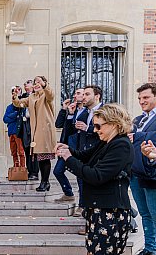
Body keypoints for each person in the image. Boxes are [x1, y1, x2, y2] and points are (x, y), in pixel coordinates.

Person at [55, 103, 134, 255]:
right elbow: (84, 157)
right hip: (99, 209)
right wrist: (66, 149)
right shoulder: (106, 142)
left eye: (98, 126)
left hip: (110, 212)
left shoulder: (121, 145)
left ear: (114, 124)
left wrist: (69, 158)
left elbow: (97, 176)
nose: (95, 130)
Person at [13, 76, 57, 192]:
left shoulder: (46, 95)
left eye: (39, 81)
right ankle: (44, 182)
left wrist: (44, 85)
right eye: (35, 82)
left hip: (46, 131)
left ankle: (45, 182)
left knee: (44, 158)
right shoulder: (31, 97)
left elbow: (51, 95)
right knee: (40, 158)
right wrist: (15, 95)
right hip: (36, 132)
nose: (36, 83)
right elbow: (19, 104)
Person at [65, 85, 102, 218]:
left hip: (98, 154)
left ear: (97, 96)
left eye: (87, 94)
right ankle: (85, 210)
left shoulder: (105, 111)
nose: (83, 97)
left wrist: (89, 128)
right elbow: (70, 132)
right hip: (83, 153)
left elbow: (108, 132)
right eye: (84, 94)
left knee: (97, 189)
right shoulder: (84, 112)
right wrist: (69, 114)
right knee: (83, 184)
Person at [129, 83, 156, 255]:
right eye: (139, 98)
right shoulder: (139, 120)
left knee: (154, 214)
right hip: (135, 174)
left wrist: (139, 136)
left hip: (152, 174)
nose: (141, 101)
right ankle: (150, 248)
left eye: (146, 97)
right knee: (145, 215)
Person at [53, 88, 85, 203]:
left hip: (78, 149)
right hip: (66, 147)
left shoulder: (87, 112)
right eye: (75, 93)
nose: (75, 96)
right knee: (57, 171)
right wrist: (65, 109)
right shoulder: (72, 109)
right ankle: (68, 194)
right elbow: (58, 124)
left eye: (79, 93)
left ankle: (82, 204)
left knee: (80, 176)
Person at [19, 79, 39, 180]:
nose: (25, 87)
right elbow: (17, 105)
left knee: (34, 151)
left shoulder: (37, 96)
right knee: (27, 149)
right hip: (25, 126)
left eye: (27, 85)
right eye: (24, 85)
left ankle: (35, 172)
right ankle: (29, 171)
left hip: (34, 125)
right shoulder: (23, 97)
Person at [3, 86, 25, 168]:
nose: (15, 93)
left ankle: (22, 169)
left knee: (21, 151)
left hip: (19, 132)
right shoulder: (9, 107)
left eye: (17, 91)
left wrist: (11, 116)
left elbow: (21, 117)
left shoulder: (22, 105)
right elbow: (5, 119)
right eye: (13, 92)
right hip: (11, 132)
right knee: (13, 152)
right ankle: (16, 168)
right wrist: (16, 114)